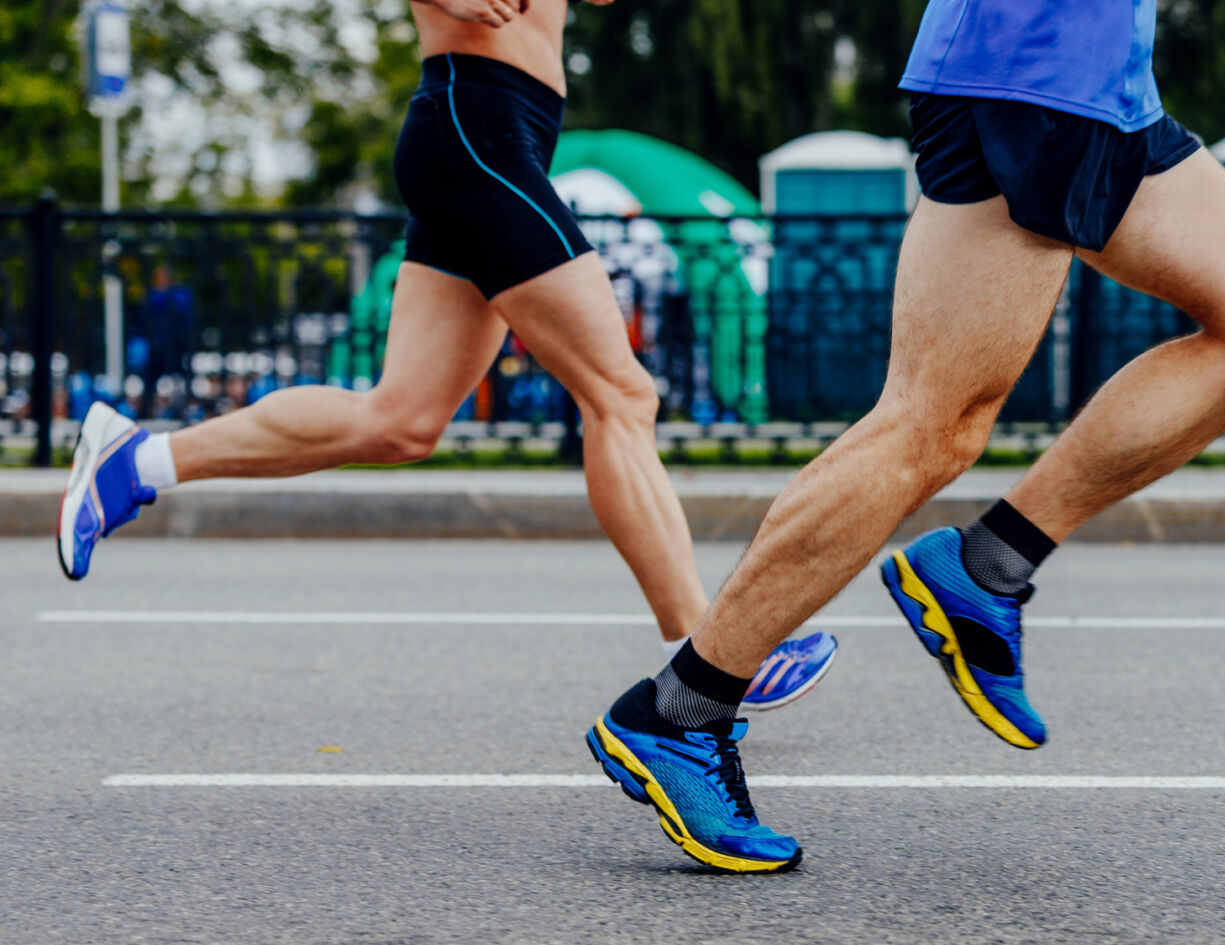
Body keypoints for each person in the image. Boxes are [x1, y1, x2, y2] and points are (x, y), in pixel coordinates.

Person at [585, 0, 1225, 872]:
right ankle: (681, 710)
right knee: (930, 426)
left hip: (1105, 82)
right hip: (1031, 71)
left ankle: (987, 566)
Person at [55, 0, 837, 711]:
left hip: (500, 131)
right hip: (476, 123)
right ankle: (701, 654)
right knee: (621, 395)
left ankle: (136, 461)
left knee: (402, 421)